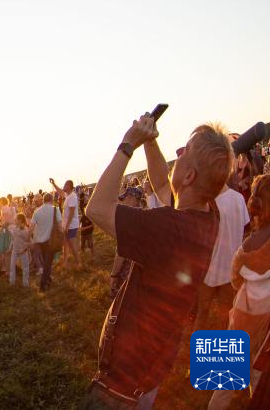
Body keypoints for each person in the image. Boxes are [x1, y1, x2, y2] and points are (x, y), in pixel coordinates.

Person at [82, 115, 231, 409]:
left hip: (120, 388)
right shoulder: (206, 214)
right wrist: (151, 142)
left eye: (183, 153)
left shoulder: (167, 228)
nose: (177, 156)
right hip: (149, 371)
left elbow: (96, 208)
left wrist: (127, 146)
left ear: (189, 177)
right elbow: (164, 183)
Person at [208, 174, 270, 409]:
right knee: (260, 369)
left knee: (225, 376)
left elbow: (235, 281)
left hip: (244, 312)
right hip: (266, 320)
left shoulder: (244, 251)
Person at [194, 178, 250, 331]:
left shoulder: (206, 203)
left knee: (203, 314)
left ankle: (195, 352)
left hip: (209, 269)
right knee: (223, 318)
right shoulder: (238, 198)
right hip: (230, 269)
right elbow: (244, 228)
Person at [29, 193, 61, 292]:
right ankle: (43, 285)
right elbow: (60, 226)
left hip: (40, 241)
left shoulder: (36, 212)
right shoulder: (55, 209)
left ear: (43, 200)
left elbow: (31, 228)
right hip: (51, 240)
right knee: (47, 263)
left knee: (46, 262)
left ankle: (48, 279)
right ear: (51, 200)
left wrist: (28, 239)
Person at [50, 179, 81, 269]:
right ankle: (65, 262)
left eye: (65, 184)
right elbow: (60, 191)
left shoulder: (72, 197)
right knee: (65, 244)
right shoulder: (68, 195)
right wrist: (53, 183)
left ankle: (79, 263)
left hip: (71, 225)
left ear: (69, 186)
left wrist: (67, 226)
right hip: (67, 225)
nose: (63, 186)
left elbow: (71, 213)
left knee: (72, 244)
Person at [9, 213, 32, 287]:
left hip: (23, 251)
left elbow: (30, 242)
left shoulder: (25, 230)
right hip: (14, 251)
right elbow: (13, 240)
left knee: (25, 267)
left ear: (20, 220)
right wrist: (10, 248)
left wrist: (24, 249)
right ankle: (12, 282)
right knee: (12, 266)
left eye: (16, 219)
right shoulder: (14, 228)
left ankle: (26, 283)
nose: (15, 220)